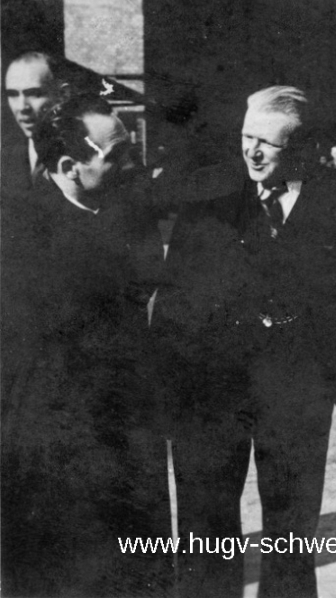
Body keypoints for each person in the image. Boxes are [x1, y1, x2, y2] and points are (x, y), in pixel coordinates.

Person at [157, 86, 336, 598]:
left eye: (268, 142)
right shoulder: (210, 198)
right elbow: (175, 296)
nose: (253, 151)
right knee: (205, 529)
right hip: (213, 390)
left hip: (297, 393)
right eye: (247, 137)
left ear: (301, 148)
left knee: (291, 532)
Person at [0, 93, 172, 596]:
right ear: (68, 167)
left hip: (127, 432)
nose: (132, 164)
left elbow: (144, 284)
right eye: (116, 155)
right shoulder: (18, 232)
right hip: (53, 442)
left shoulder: (126, 211)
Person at [2, 51, 59, 192]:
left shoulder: (84, 156)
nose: (22, 107)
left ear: (62, 94)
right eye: (13, 94)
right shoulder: (5, 156)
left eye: (34, 94)